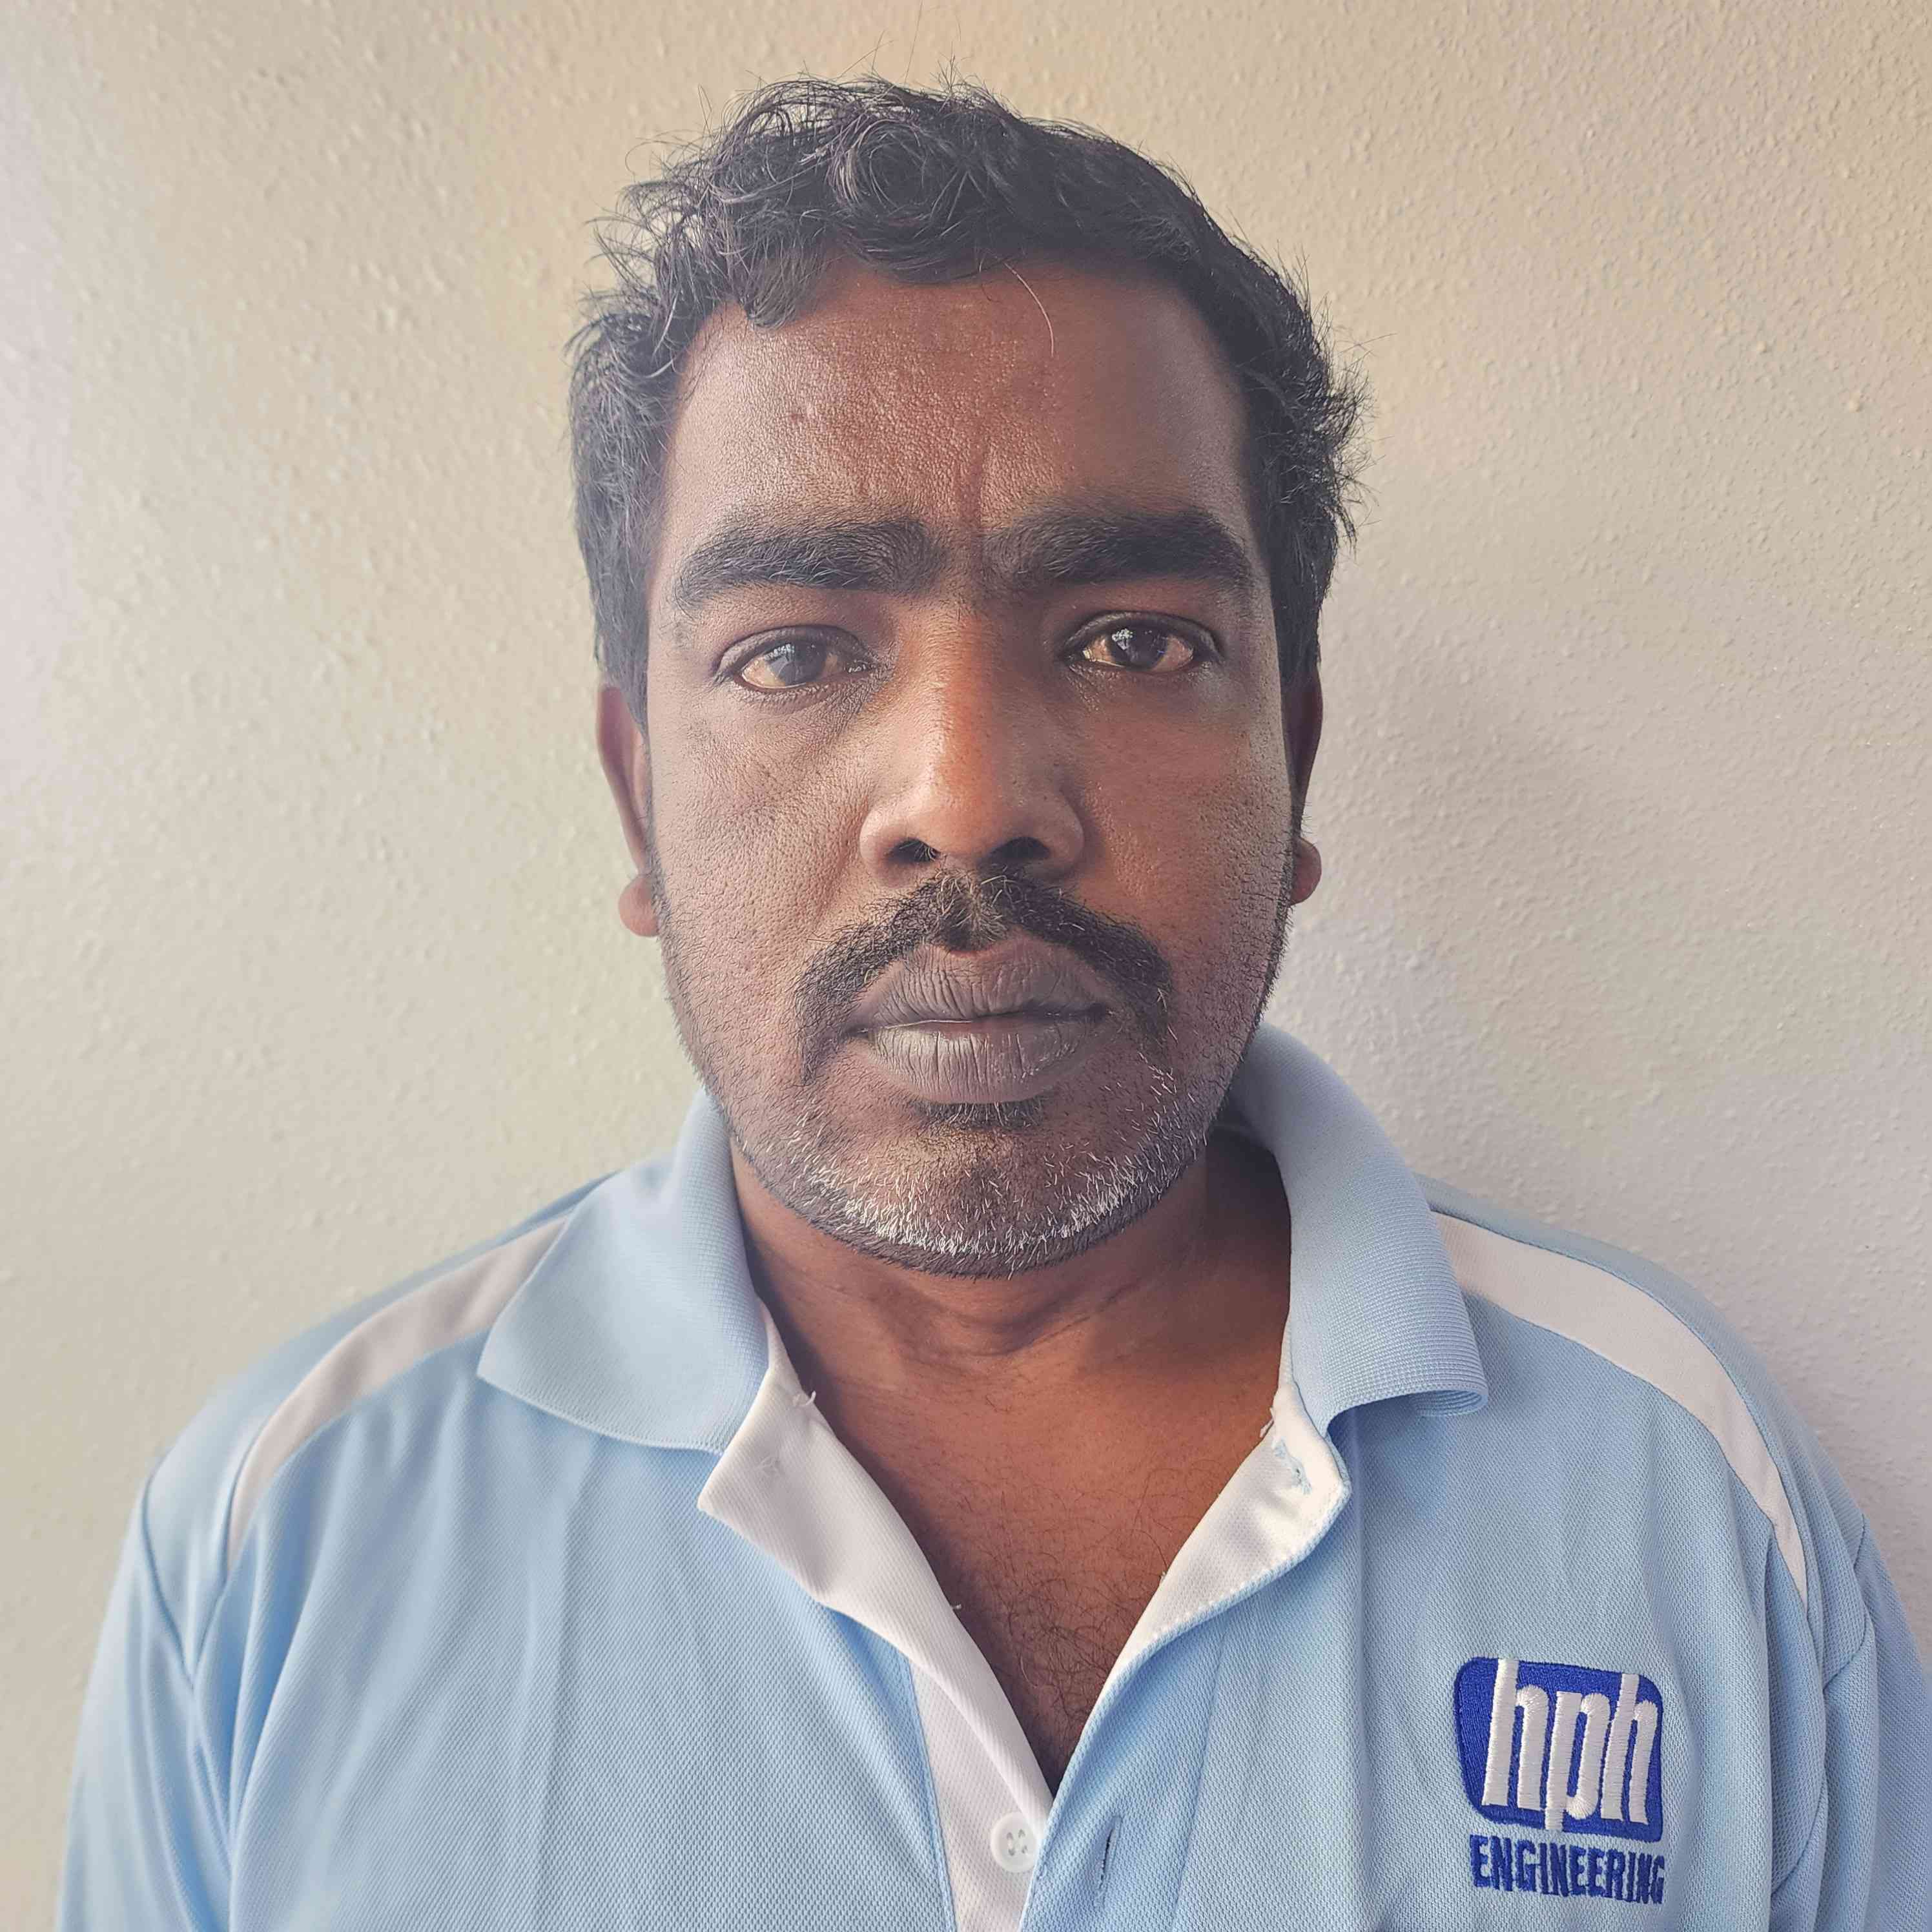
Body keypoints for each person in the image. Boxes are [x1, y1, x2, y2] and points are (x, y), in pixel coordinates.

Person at [59, 69, 1929, 1930]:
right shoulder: (286, 1544)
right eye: (795, 654)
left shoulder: (1689, 1503)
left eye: (1134, 640)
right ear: (638, 800)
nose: (963, 798)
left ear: (1293, 763)